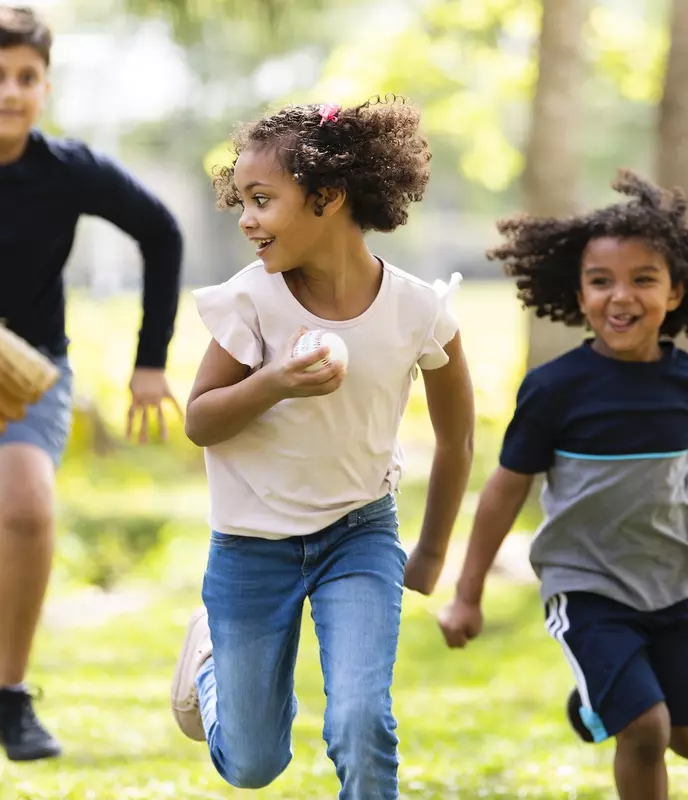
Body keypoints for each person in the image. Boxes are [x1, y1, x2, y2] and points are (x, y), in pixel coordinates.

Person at [170, 96, 474, 799]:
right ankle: (211, 663)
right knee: (252, 764)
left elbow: (457, 437)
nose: (246, 218)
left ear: (328, 198)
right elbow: (202, 420)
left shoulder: (418, 309)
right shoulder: (251, 301)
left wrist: (429, 551)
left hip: (359, 534)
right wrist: (274, 382)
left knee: (362, 720)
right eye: (240, 200)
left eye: (262, 200)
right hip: (250, 544)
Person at [0, 6, 184, 762]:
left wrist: (150, 362)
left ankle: (8, 698)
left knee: (29, 509)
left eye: (26, 77)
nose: (10, 91)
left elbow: (160, 231)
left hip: (25, 372)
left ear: (45, 87)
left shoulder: (67, 170)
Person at [437, 170, 688, 800]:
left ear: (675, 292)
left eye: (643, 279)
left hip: (673, 581)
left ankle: (595, 701)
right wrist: (467, 594)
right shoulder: (555, 389)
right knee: (647, 729)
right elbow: (504, 491)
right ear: (580, 293)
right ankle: (619, 701)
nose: (621, 297)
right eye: (602, 282)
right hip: (585, 586)